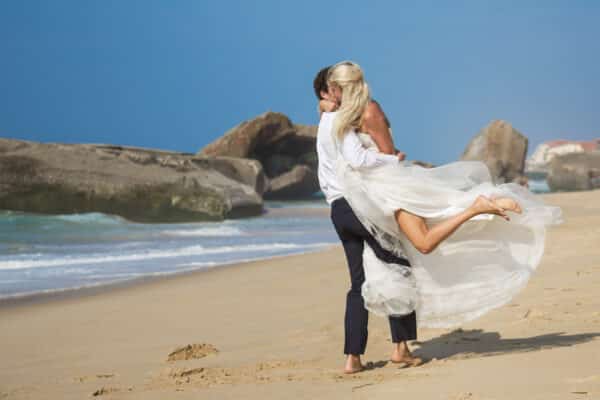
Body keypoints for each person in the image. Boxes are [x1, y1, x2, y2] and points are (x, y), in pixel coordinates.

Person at [326, 60, 561, 330]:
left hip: (391, 190)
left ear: (340, 87)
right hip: (373, 197)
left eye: (332, 89)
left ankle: (476, 207)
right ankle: (401, 348)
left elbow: (389, 153)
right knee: (415, 247)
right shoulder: (349, 114)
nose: (329, 95)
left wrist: (384, 167)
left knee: (424, 243)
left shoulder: (369, 111)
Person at [315, 65, 420, 374]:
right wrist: (392, 159)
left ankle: (353, 358)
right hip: (357, 206)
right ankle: (400, 348)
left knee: (357, 283)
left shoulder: (323, 122)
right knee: (398, 265)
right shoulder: (341, 122)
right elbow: (358, 160)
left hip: (337, 210)